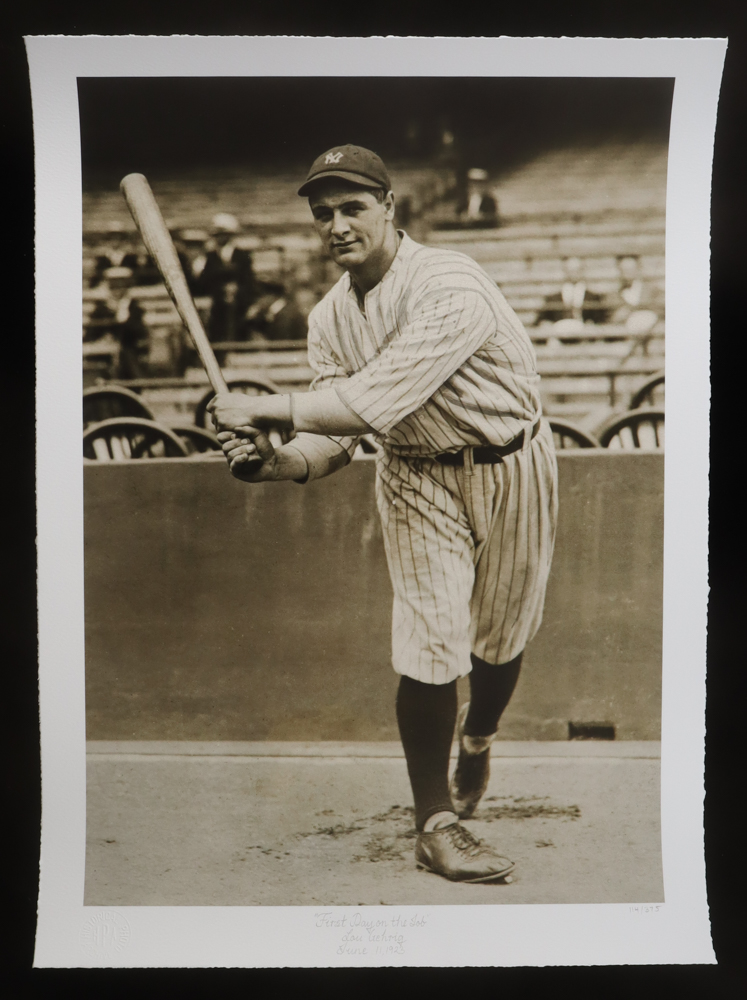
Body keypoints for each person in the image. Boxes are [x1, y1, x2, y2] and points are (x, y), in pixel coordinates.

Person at [208, 145, 558, 885]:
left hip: (512, 459)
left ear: (390, 207)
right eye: (322, 213)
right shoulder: (330, 317)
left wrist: (266, 404)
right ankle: (432, 823)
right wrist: (278, 460)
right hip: (414, 477)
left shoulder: (450, 283)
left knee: (499, 641)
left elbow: (375, 398)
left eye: (352, 207)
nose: (336, 225)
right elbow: (339, 435)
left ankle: (481, 734)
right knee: (432, 639)